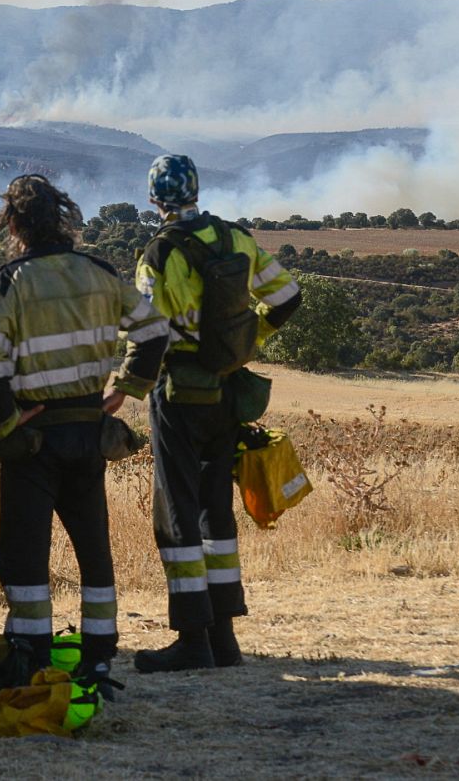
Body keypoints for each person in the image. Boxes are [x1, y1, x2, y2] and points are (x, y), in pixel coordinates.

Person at [0, 174, 169, 684]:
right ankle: (100, 656)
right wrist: (125, 388)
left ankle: (32, 656)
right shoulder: (100, 273)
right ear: (63, 220)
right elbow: (153, 331)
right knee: (93, 549)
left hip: (33, 440)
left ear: (13, 224)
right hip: (89, 430)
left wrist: (9, 425)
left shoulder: (9, 284)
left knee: (24, 553)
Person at [131, 155, 302, 673]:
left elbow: (144, 331)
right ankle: (224, 638)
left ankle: (191, 640)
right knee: (215, 510)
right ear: (197, 192)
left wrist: (123, 389)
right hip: (229, 390)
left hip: (178, 394)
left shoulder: (158, 252)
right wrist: (248, 342)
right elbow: (288, 296)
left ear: (155, 199)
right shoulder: (236, 239)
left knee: (177, 512)